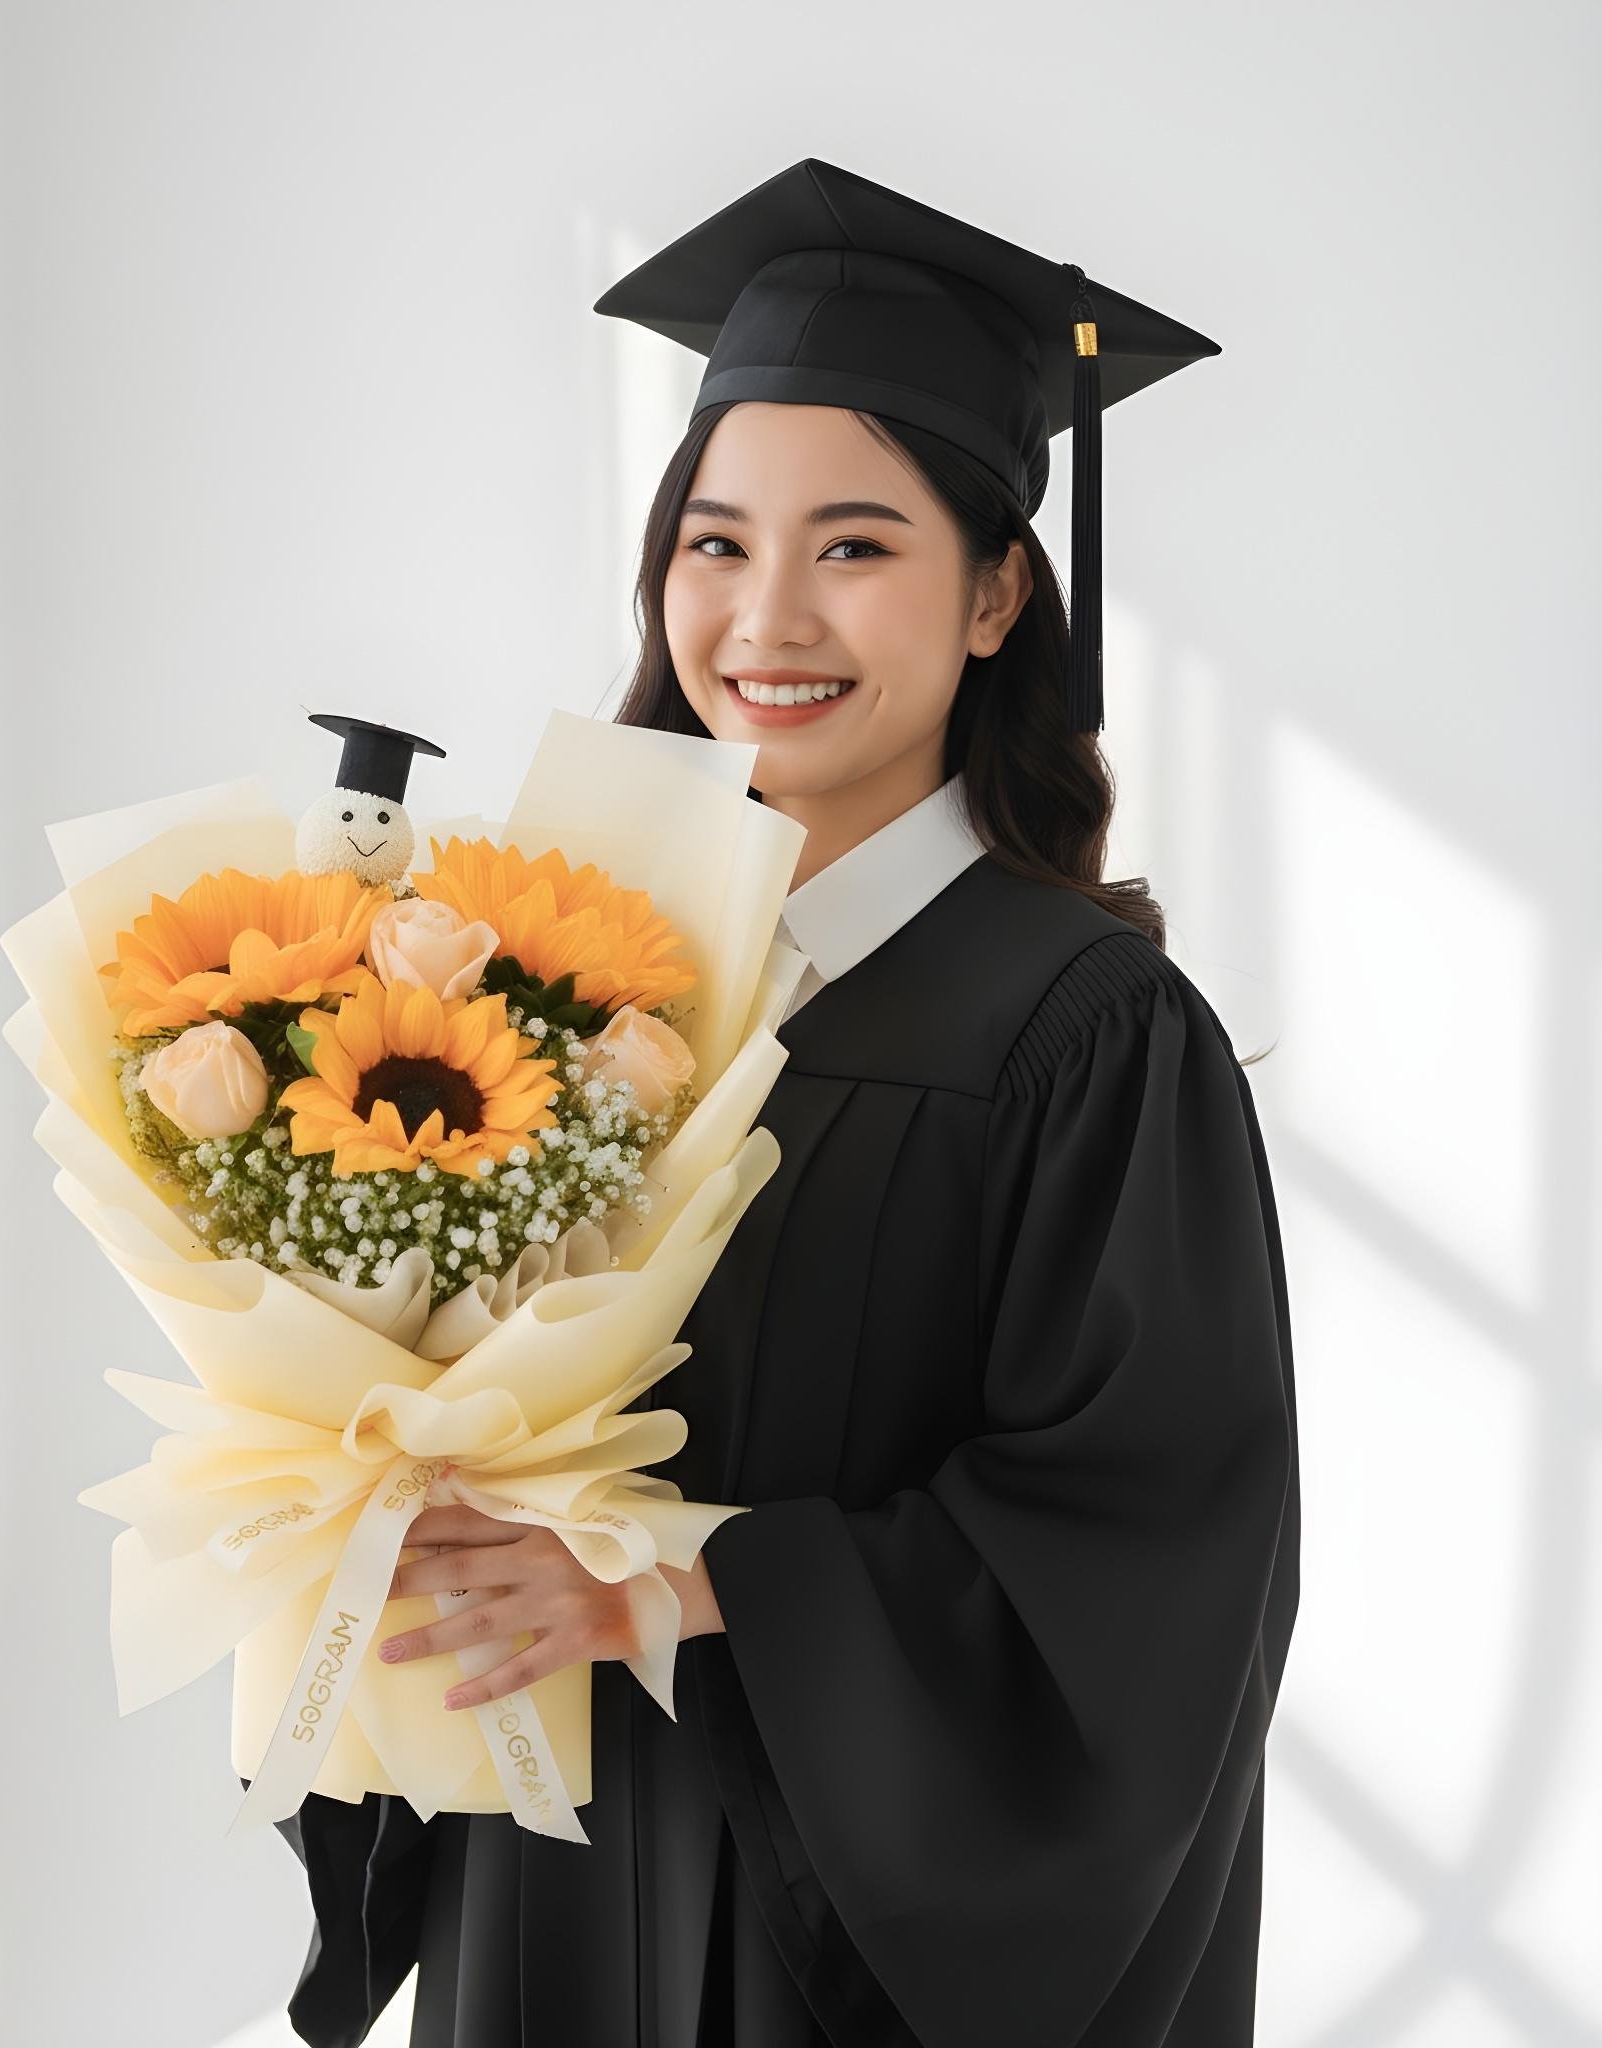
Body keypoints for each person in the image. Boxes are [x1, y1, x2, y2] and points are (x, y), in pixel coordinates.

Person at [261, 158, 1301, 2048]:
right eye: (716, 543)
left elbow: (1149, 1551)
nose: (766, 615)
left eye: (855, 544)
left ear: (996, 596)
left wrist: (674, 1585)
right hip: (545, 1846)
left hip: (836, 1931)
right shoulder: (553, 984)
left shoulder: (1087, 1036)